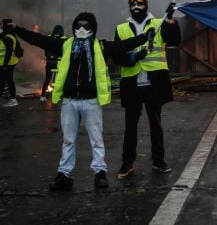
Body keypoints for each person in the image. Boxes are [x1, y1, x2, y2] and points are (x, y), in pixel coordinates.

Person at [9, 13, 148, 191]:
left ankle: (100, 173)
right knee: (68, 140)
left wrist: (144, 37)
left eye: (86, 27)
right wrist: (17, 29)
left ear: (93, 29)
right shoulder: (66, 45)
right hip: (69, 101)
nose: (81, 30)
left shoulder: (101, 46)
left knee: (96, 139)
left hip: (91, 102)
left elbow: (123, 46)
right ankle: (64, 174)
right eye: (78, 26)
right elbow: (39, 39)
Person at [115, 0, 180, 179]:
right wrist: (133, 57)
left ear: (146, 5)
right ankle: (127, 163)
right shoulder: (121, 28)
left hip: (154, 82)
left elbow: (174, 41)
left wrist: (170, 21)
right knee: (130, 126)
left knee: (156, 124)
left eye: (140, 2)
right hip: (131, 82)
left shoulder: (159, 23)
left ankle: (159, 161)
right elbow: (117, 55)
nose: (136, 6)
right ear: (129, 6)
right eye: (133, 3)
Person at [40, 24, 66, 101]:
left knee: (47, 79)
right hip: (59, 62)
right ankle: (57, 96)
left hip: (49, 61)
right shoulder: (64, 39)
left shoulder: (49, 37)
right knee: (58, 80)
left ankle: (42, 96)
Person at [0, 19, 20, 107]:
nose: (1, 25)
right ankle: (13, 99)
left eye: (2, 23)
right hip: (8, 63)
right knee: (5, 81)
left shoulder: (8, 37)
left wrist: (5, 65)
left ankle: (13, 100)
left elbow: (8, 52)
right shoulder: (7, 35)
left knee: (6, 81)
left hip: (7, 64)